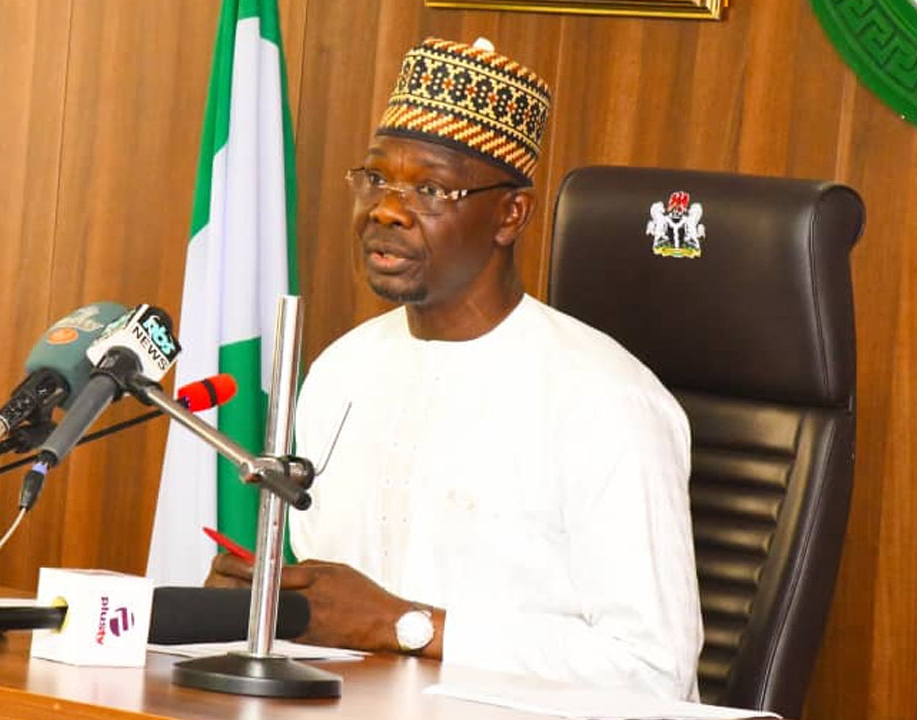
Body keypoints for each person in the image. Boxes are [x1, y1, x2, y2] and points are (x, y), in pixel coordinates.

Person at [206, 37, 703, 700]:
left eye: (430, 189)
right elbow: (340, 616)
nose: (385, 209)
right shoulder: (340, 372)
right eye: (375, 179)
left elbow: (654, 668)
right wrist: (271, 603)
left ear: (510, 215)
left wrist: (405, 625)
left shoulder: (605, 399)